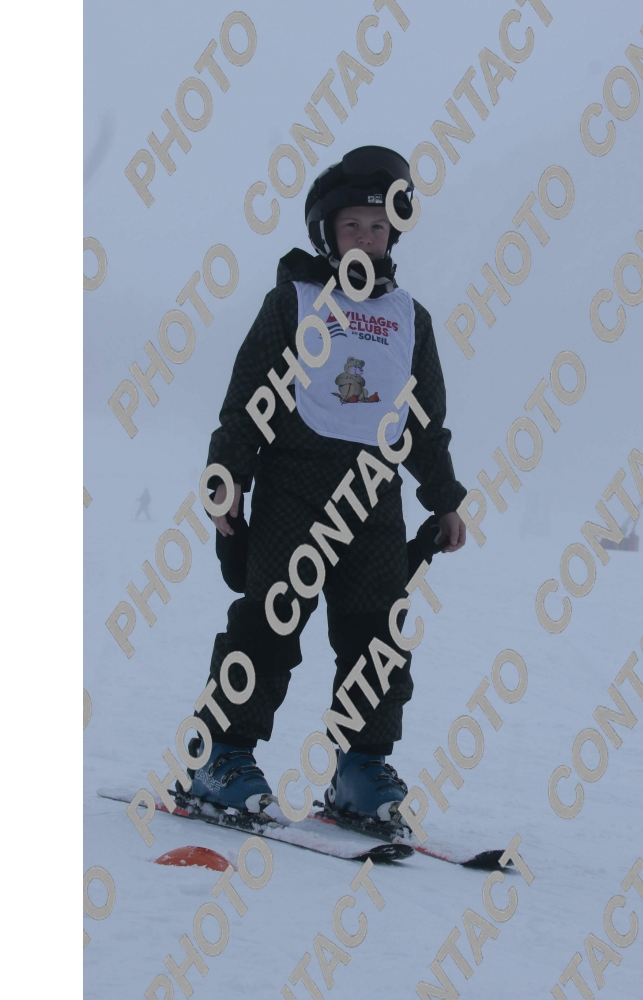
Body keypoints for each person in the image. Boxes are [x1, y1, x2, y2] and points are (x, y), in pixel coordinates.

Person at [188, 146, 467, 824]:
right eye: (353, 226)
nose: (366, 239)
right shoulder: (294, 303)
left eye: (378, 227)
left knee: (377, 639)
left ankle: (361, 769)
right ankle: (221, 756)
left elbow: (423, 422)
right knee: (269, 624)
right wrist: (228, 473)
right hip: (293, 491)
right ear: (327, 233)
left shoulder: (410, 319)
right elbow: (248, 397)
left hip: (374, 501)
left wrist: (444, 499)